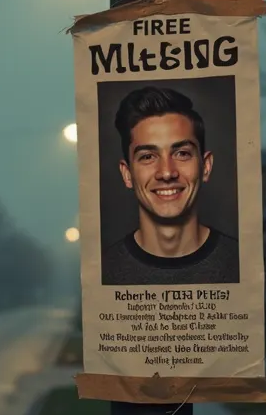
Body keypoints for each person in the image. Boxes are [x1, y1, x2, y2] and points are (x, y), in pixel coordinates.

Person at [101, 85, 239, 284]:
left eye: (182, 153)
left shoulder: (241, 265)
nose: (166, 172)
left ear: (206, 167)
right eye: (148, 156)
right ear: (127, 174)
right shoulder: (102, 273)